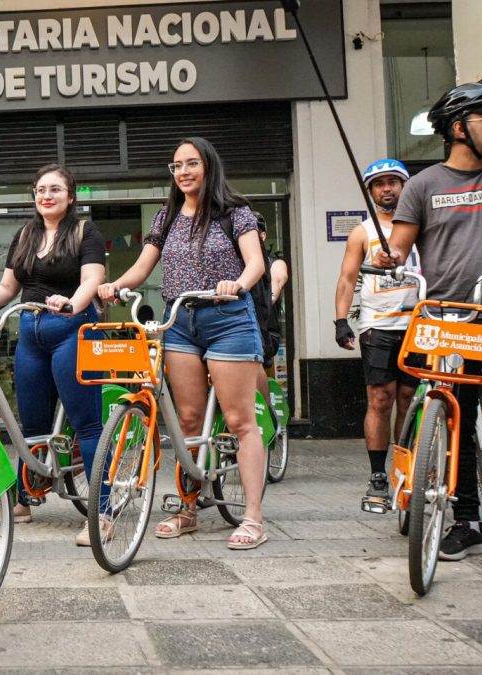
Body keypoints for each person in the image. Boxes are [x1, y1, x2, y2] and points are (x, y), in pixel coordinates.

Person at [373, 83, 482, 569]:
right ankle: (466, 522)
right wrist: (387, 255)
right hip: (450, 322)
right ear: (458, 128)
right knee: (455, 422)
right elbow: (400, 246)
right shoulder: (423, 184)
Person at [98, 137, 269, 550]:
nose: (184, 172)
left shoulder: (235, 212)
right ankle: (187, 509)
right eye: (176, 166)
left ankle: (253, 518)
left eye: (192, 163)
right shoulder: (168, 215)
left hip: (228, 317)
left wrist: (238, 284)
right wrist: (115, 284)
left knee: (240, 421)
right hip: (179, 320)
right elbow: (143, 265)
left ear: (208, 166)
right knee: (188, 421)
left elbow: (256, 264)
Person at [0, 164, 105, 546]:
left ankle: (102, 512)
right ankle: (24, 499)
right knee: (31, 424)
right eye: (40, 190)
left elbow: (92, 281)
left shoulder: (86, 232)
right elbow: (7, 288)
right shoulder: (25, 234)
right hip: (30, 332)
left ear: (70, 196)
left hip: (73, 329)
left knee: (86, 423)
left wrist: (71, 303)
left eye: (55, 189)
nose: (46, 196)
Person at [334, 159, 420, 508]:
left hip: (419, 323)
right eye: (380, 184)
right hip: (378, 325)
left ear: (405, 186)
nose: (387, 189)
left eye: (394, 182)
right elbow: (347, 278)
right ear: (370, 192)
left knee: (409, 401)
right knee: (381, 399)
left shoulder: (421, 226)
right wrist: (341, 320)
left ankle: (408, 468)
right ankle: (378, 474)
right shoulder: (362, 232)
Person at [253, 212, 289, 406]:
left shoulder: (274, 264)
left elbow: (277, 279)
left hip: (263, 334)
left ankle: (266, 414)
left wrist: (271, 295)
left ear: (263, 236)